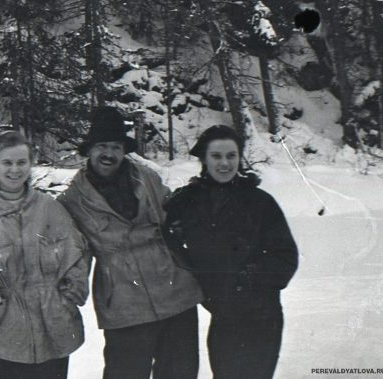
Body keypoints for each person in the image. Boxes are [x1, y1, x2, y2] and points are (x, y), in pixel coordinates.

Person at [57, 107, 202, 379]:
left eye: (115, 146)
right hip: (124, 305)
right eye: (102, 146)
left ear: (124, 151)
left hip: (175, 292)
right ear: (89, 150)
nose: (108, 154)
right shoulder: (72, 200)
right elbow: (71, 255)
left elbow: (175, 217)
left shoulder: (147, 178)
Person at [163, 124, 298, 379]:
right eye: (216, 156)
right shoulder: (187, 202)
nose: (224, 163)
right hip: (223, 317)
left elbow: (286, 257)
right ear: (203, 159)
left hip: (261, 318)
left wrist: (250, 277)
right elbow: (166, 238)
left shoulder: (260, 202)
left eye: (231, 156)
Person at [0, 131, 90, 379]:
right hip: (5, 338)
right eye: (7, 163)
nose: (15, 170)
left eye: (21, 162)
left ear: (31, 163)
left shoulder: (50, 207)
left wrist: (69, 296)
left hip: (54, 331)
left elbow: (78, 254)